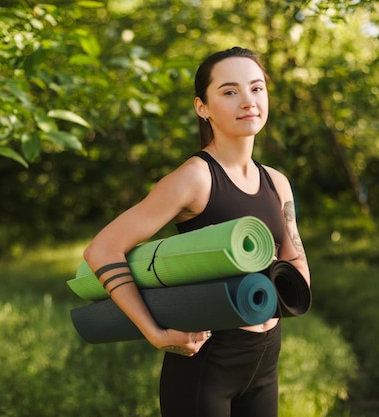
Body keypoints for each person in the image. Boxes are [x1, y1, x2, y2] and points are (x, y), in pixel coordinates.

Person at [83, 46, 310, 417]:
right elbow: (103, 249)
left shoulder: (276, 181)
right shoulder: (195, 177)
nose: (248, 101)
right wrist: (155, 333)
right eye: (229, 91)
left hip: (265, 360)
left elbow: (293, 255)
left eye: (256, 89)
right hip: (206, 364)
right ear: (202, 107)